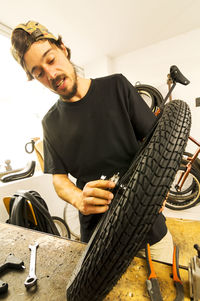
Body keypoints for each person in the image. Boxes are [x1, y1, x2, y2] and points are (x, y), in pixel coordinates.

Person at [11, 21, 173, 262]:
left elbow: (157, 143)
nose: (51, 74)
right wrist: (78, 198)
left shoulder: (117, 86)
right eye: (39, 73)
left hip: (146, 222)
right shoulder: (50, 123)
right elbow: (59, 178)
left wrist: (162, 184)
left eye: (51, 59)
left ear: (63, 48)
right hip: (98, 235)